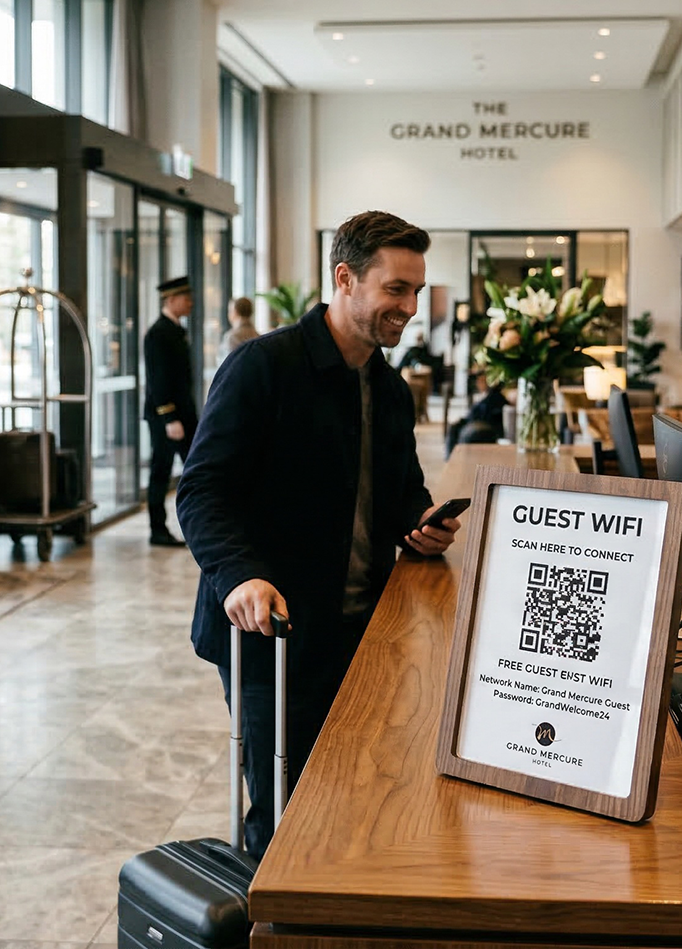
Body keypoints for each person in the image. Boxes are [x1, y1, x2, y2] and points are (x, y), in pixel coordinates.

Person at [177, 210, 462, 858]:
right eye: (396, 288)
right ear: (345, 278)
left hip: (358, 633)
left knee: (349, 799)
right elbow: (200, 490)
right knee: (280, 816)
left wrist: (419, 522)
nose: (410, 306)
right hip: (271, 634)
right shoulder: (262, 367)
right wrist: (239, 573)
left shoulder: (388, 390)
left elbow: (400, 488)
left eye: (416, 290)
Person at [145, 275, 196, 547]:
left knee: (197, 469)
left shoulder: (175, 330)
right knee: (160, 472)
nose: (191, 303)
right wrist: (169, 417)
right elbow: (158, 380)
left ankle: (198, 525)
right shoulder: (158, 333)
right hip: (167, 417)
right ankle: (157, 529)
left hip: (183, 415)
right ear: (171, 300)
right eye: (186, 298)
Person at [220, 296, 259, 363]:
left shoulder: (232, 337)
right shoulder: (257, 335)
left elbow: (226, 366)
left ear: (235, 312)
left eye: (230, 311)